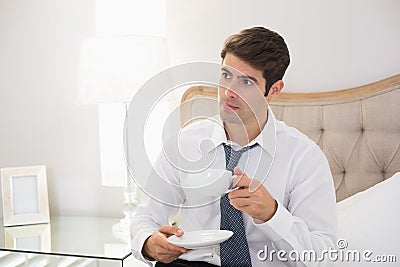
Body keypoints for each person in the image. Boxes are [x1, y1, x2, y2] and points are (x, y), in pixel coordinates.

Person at [130, 27, 337, 267]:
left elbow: (322, 257)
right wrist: (148, 243)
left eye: (246, 82)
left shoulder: (304, 157)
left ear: (274, 90)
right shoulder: (184, 142)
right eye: (226, 75)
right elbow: (145, 216)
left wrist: (272, 213)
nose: (229, 92)